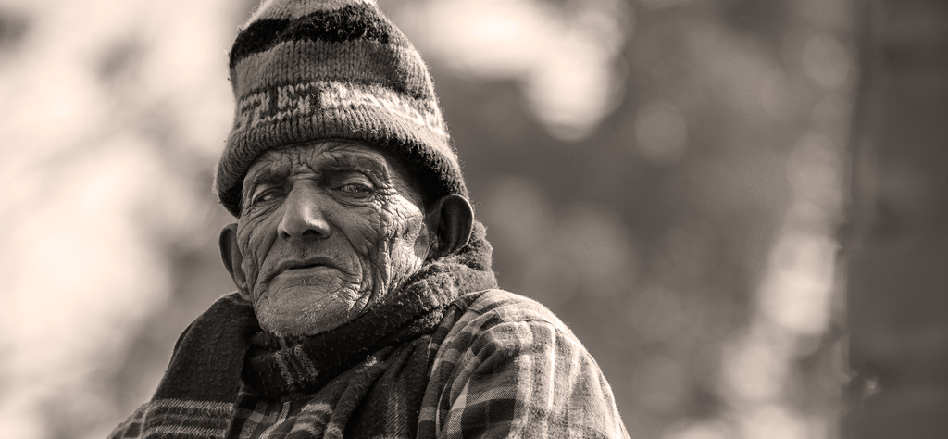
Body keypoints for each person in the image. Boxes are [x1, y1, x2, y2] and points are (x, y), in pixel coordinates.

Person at [111, 0, 630, 437]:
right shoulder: (156, 421)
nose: (298, 219)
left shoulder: (501, 350)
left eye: (353, 186)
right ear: (237, 262)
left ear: (441, 232)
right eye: (266, 195)